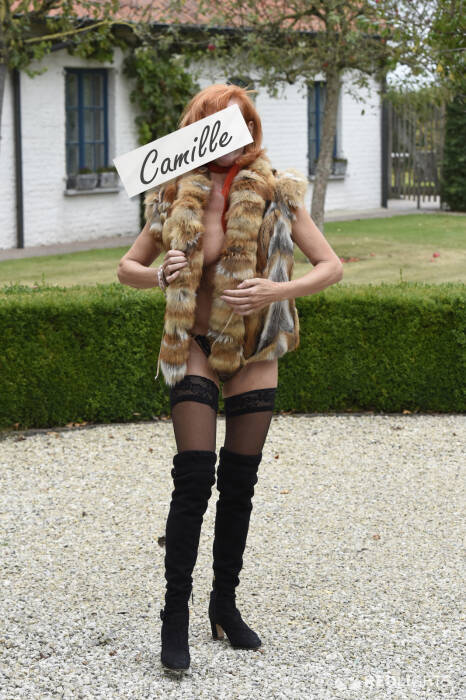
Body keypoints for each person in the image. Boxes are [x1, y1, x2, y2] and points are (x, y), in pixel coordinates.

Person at [117, 83, 343, 673]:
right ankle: (174, 616)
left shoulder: (278, 191)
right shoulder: (173, 195)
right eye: (219, 125)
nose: (230, 137)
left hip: (253, 347)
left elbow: (330, 266)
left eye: (240, 124)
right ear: (198, 131)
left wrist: (276, 290)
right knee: (194, 478)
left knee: (239, 484)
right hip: (192, 342)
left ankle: (224, 605)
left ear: (251, 128)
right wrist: (160, 275)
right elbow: (127, 267)